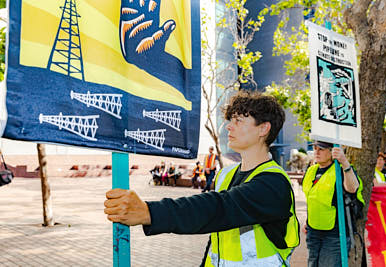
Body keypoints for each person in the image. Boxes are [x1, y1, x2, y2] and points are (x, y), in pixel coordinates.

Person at [104, 91, 300, 266]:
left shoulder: (274, 183)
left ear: (263, 129)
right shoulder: (227, 174)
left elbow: (217, 208)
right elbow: (216, 234)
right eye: (230, 120)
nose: (229, 127)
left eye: (238, 120)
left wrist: (150, 212)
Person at [302, 141, 364, 267]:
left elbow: (352, 189)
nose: (317, 152)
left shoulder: (341, 171)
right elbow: (312, 197)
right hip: (313, 231)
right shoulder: (311, 171)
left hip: (334, 234)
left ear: (332, 152)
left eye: (322, 149)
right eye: (315, 148)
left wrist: (344, 163)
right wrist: (307, 221)